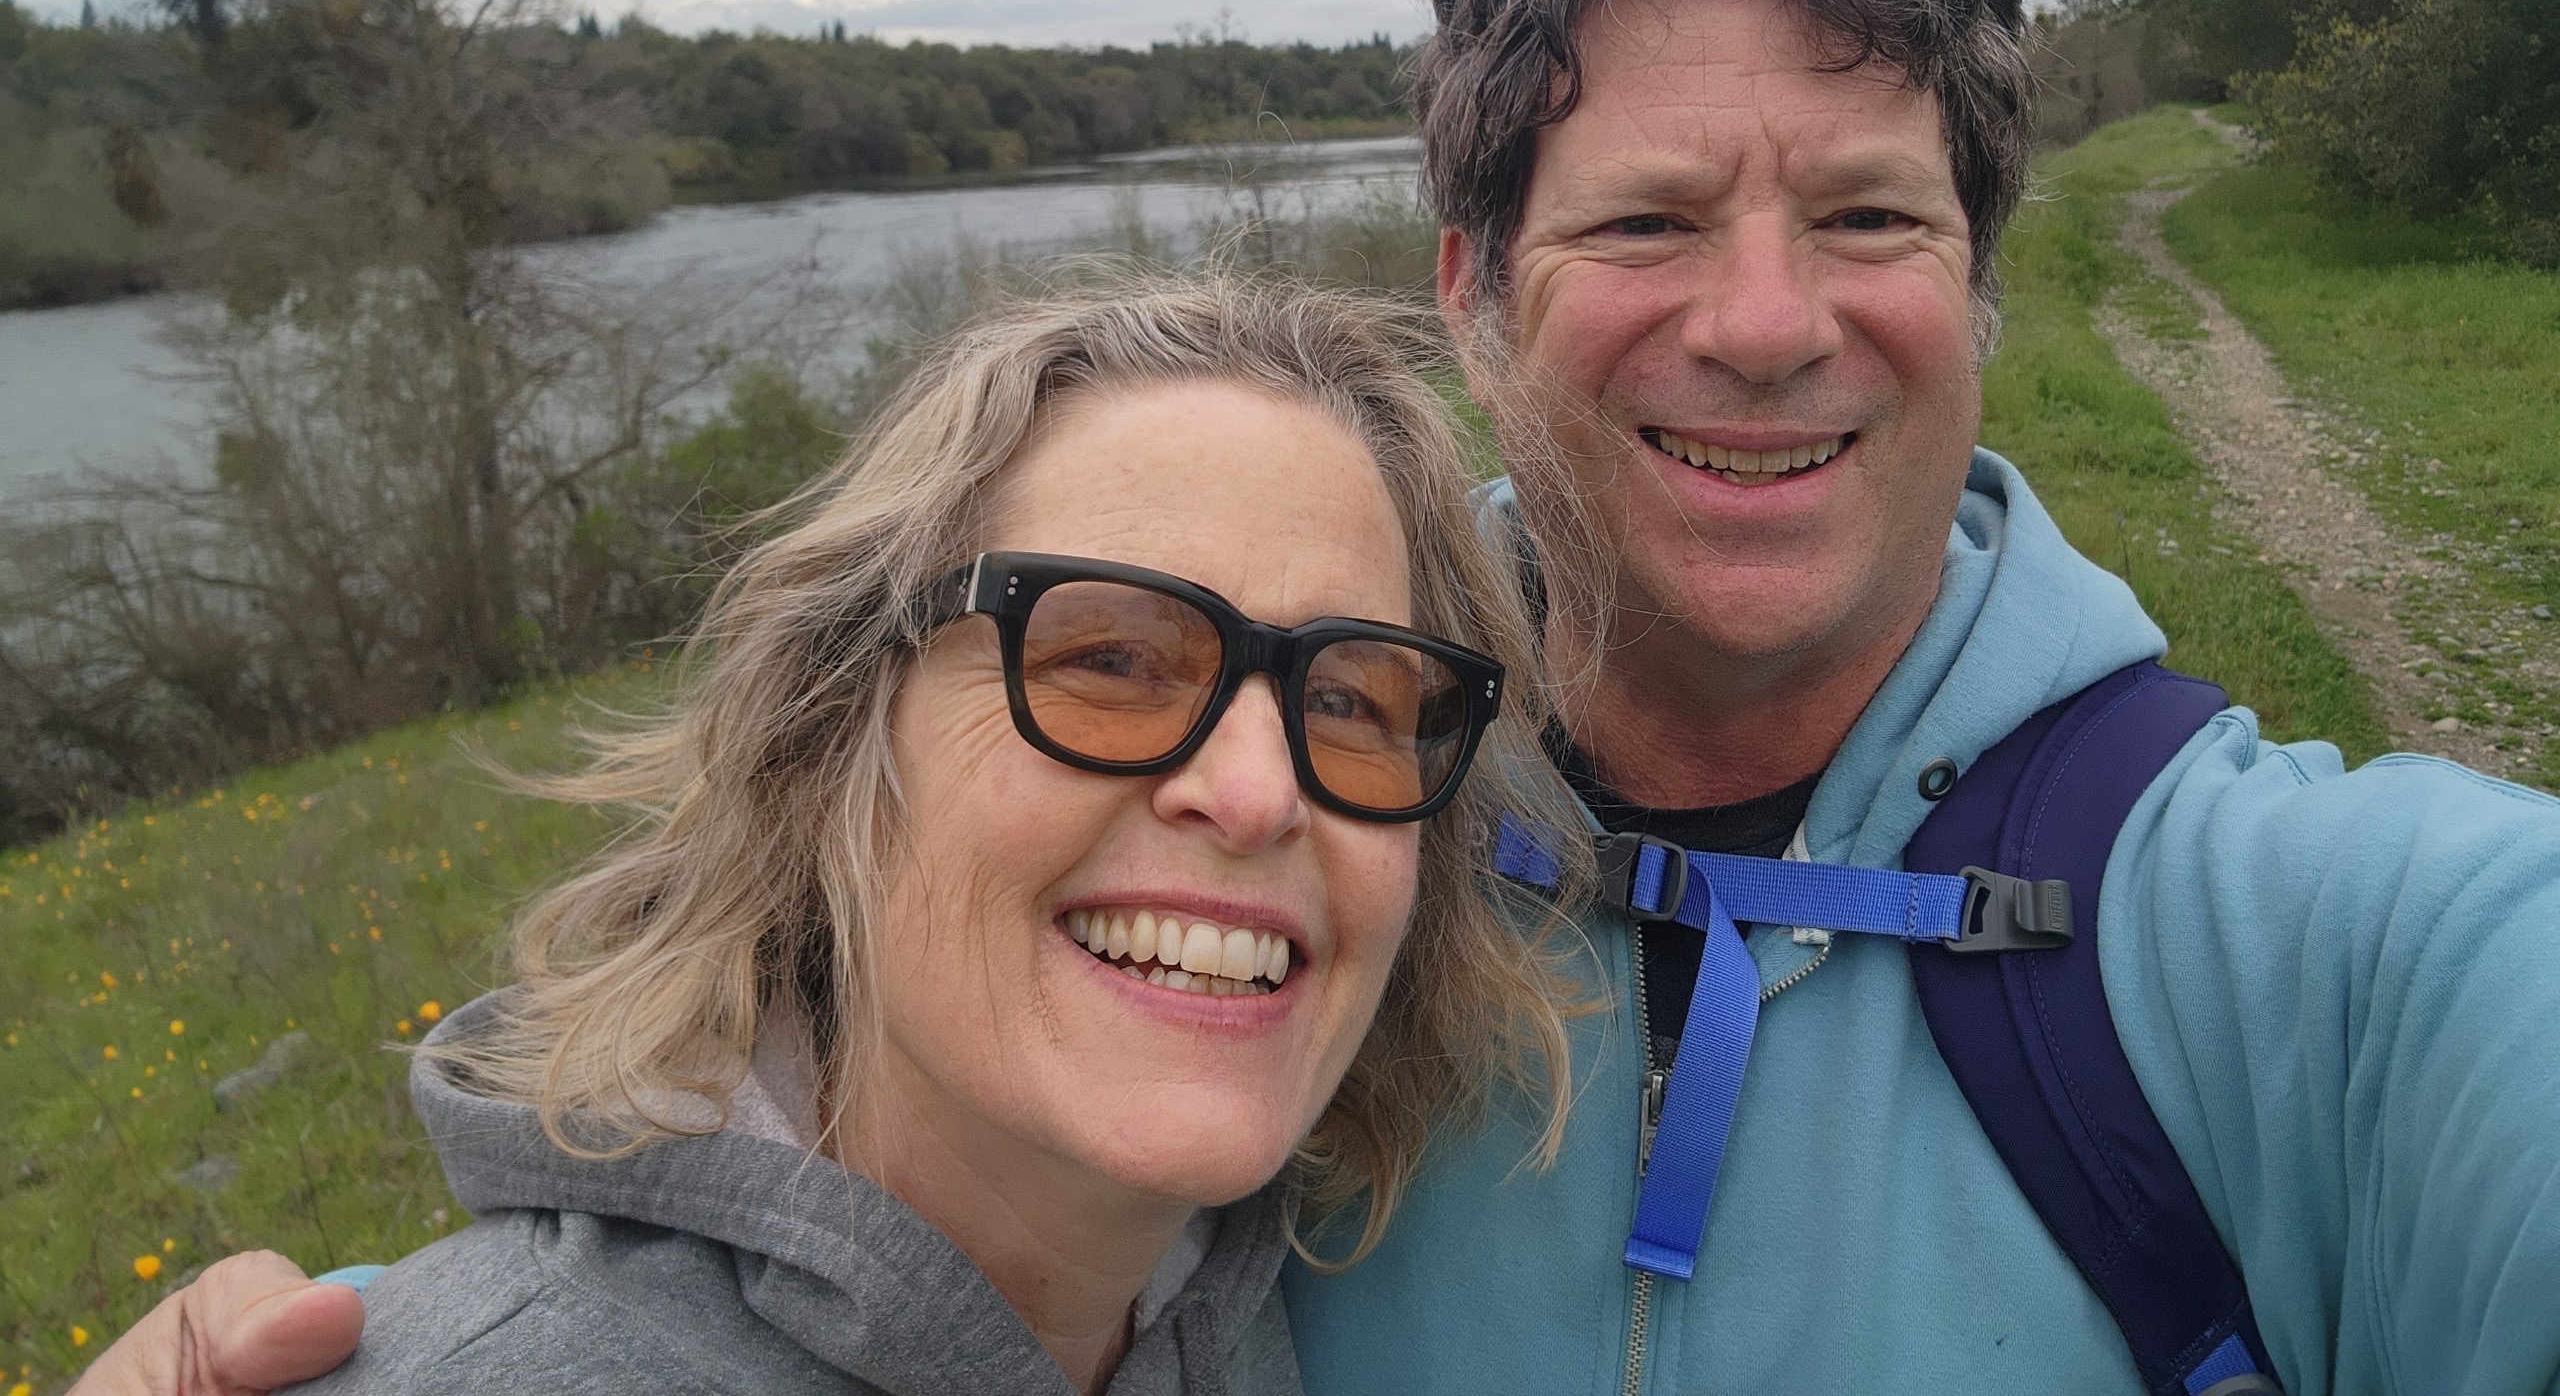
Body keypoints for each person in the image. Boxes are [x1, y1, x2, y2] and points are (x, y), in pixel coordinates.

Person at [89, 0, 2560, 1395]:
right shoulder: (1282, 868)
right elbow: (812, 1184)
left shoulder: (2330, 950)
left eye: (1868, 218)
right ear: (1470, 293)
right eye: (1646, 221)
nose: (1764, 318)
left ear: (1979, 291)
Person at [84, 274, 1588, 1396]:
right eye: (1111, 659)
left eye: (1351, 700)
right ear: (828, 756)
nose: (1257, 791)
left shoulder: (1261, 1316)